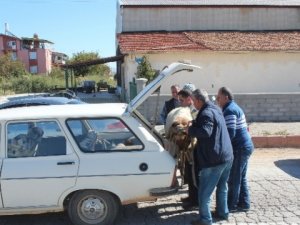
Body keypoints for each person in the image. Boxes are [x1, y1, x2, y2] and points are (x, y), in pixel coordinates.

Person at [187, 89, 233, 225]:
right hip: (226, 156)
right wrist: (195, 123)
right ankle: (223, 213)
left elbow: (206, 131)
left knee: (204, 193)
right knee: (222, 187)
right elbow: (208, 124)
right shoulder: (215, 108)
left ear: (200, 101)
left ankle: (205, 220)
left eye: (194, 101)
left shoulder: (206, 112)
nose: (193, 104)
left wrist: (189, 130)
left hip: (214, 160)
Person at [216, 87, 254, 212]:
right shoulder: (233, 107)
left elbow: (230, 133)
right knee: (240, 177)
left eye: (219, 97)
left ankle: (231, 206)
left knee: (233, 179)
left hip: (240, 148)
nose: (217, 100)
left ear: (226, 97)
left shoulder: (229, 110)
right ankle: (244, 203)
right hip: (245, 146)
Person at [177, 87, 199, 209]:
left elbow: (193, 128)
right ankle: (191, 197)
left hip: (194, 148)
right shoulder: (186, 110)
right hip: (188, 148)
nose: (180, 102)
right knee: (189, 174)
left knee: (194, 174)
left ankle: (195, 201)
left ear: (189, 99)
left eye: (182, 100)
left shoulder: (194, 111)